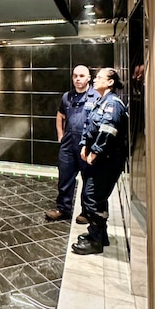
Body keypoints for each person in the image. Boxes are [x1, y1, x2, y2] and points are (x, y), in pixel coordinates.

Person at [72, 67, 128, 255]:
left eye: (99, 78)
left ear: (110, 82)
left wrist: (94, 152)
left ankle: (95, 241)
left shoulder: (113, 104)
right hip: (100, 160)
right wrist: (83, 145)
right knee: (97, 197)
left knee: (92, 197)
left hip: (107, 161)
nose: (95, 80)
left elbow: (108, 131)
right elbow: (89, 126)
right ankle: (99, 236)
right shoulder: (100, 101)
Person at [45, 65, 100, 223]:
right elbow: (60, 115)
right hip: (68, 143)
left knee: (88, 179)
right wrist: (60, 135)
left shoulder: (96, 96)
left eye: (82, 76)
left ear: (89, 78)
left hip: (87, 144)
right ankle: (63, 209)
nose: (78, 79)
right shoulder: (67, 97)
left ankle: (87, 212)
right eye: (75, 76)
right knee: (65, 177)